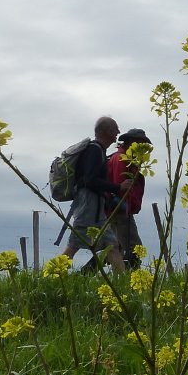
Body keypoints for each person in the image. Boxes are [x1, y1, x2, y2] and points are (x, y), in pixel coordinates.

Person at [61, 116, 131, 274]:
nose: (118, 132)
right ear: (106, 131)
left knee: (112, 245)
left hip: (95, 204)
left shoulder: (98, 150)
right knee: (74, 244)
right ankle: (54, 276)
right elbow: (89, 180)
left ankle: (124, 284)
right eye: (115, 129)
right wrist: (117, 187)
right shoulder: (94, 150)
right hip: (88, 203)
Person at [108, 128, 151, 268]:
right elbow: (120, 186)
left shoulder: (125, 159)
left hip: (119, 210)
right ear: (130, 143)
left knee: (115, 248)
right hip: (119, 210)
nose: (142, 148)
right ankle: (133, 278)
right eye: (139, 143)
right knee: (135, 249)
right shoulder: (121, 159)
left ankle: (118, 279)